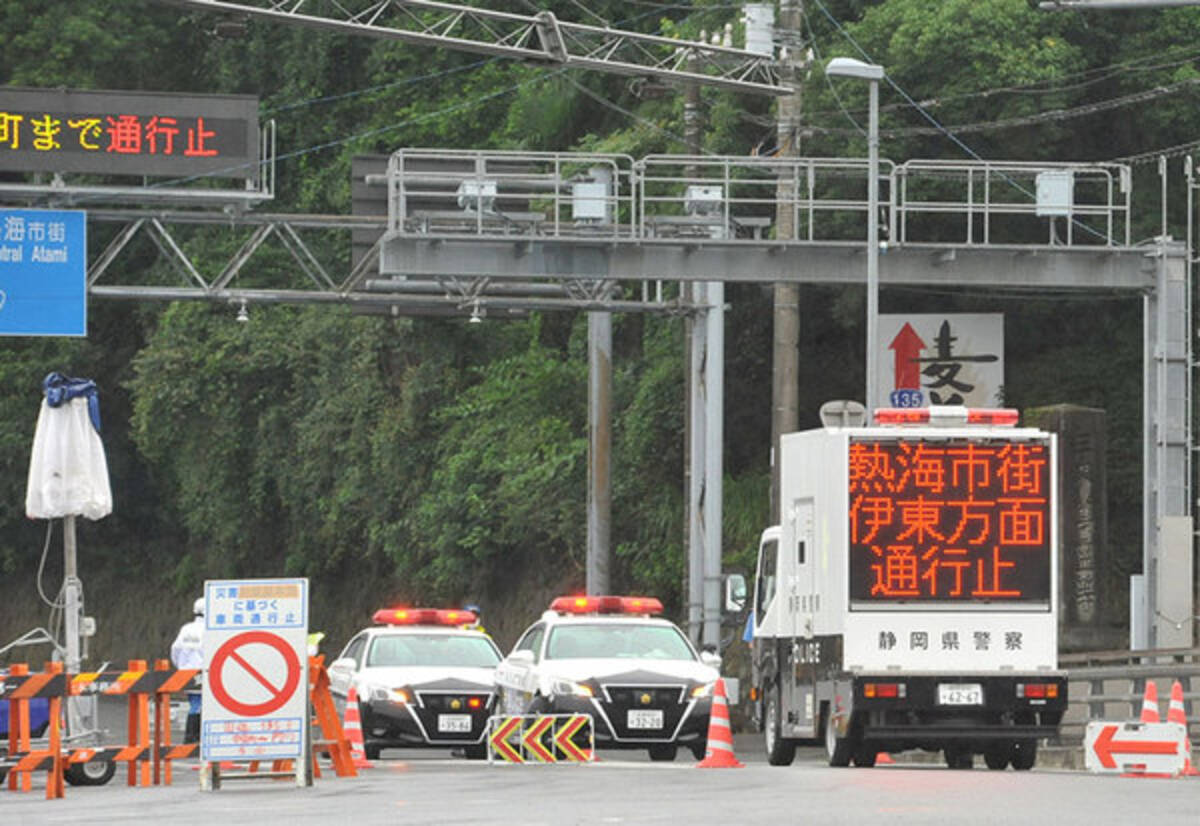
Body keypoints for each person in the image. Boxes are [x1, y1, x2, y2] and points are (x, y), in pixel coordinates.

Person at [170, 597, 205, 744]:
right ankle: (194, 738)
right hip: (204, 673)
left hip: (186, 674)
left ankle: (191, 738)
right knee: (200, 705)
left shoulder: (186, 629)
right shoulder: (210, 629)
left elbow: (175, 650)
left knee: (195, 704)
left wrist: (181, 669)